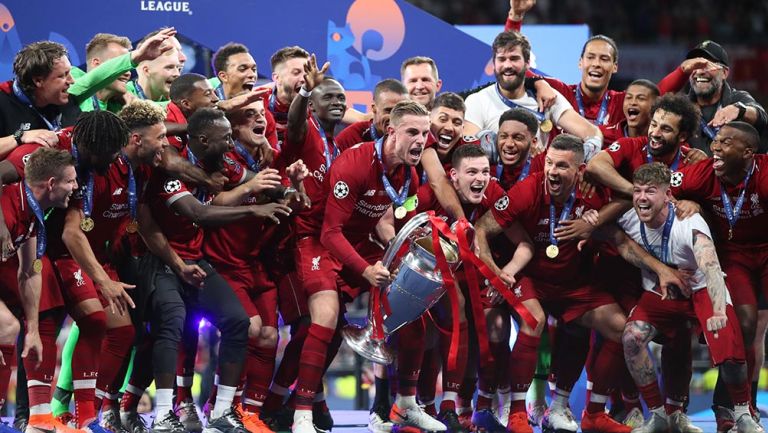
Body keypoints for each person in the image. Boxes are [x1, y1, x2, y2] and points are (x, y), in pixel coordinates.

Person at [474, 134, 659, 433]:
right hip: (532, 279)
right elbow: (482, 228)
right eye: (549, 163)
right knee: (532, 320)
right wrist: (495, 272)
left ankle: (591, 413)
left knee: (620, 328)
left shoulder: (594, 194)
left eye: (562, 166)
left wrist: (596, 221)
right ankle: (518, 413)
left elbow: (624, 217)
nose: (552, 172)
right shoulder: (528, 189)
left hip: (574, 284)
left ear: (580, 171)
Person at [139, 107, 290, 433]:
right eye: (225, 138)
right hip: (165, 261)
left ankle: (222, 411)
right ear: (204, 140)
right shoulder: (170, 173)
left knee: (237, 322)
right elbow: (200, 214)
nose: (231, 141)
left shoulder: (221, 161)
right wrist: (254, 213)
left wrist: (288, 189)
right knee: (172, 323)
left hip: (197, 259)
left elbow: (255, 182)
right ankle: (163, 413)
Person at [318, 100, 444, 433]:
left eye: (425, 133)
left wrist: (394, 244)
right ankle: (301, 405)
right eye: (413, 132)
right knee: (321, 327)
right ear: (391, 131)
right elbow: (330, 232)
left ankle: (404, 406)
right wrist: (366, 269)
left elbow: (385, 218)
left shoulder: (409, 174)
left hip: (364, 248)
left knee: (412, 317)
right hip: (327, 247)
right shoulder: (355, 164)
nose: (421, 140)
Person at [616, 162, 761, 433]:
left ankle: (742, 413)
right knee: (631, 339)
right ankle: (658, 415)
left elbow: (711, 268)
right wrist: (661, 269)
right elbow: (616, 238)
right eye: (637, 191)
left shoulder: (689, 222)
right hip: (664, 292)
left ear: (668, 195)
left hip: (703, 288)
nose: (642, 198)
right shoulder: (629, 216)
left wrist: (719, 312)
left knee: (728, 349)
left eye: (650, 191)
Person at [669, 122, 768, 432]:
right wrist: (685, 201)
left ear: (748, 152)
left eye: (726, 143)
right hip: (733, 256)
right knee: (747, 323)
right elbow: (661, 190)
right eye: (716, 140)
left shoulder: (764, 175)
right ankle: (741, 407)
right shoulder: (703, 173)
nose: (715, 147)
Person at [0, 148, 76, 433]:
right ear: (51, 184)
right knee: (5, 325)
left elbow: (29, 272)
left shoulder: (31, 214)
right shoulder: (8, 206)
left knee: (9, 327)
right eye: (70, 181)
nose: (76, 187)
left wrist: (32, 330)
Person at [463, 31, 603, 161]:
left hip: (536, 181)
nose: (507, 65)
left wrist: (586, 157)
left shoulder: (548, 98)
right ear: (494, 64)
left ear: (528, 63)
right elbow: (468, 147)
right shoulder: (477, 101)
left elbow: (592, 132)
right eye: (501, 59)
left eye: (514, 58)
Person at [588, 94, 706, 198]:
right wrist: (635, 191)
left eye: (666, 129)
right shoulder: (631, 145)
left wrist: (697, 206)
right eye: (654, 125)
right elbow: (594, 165)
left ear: (682, 136)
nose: (655, 133)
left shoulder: (692, 161)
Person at [659, 41, 767, 154]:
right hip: (692, 170)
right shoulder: (681, 106)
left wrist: (739, 110)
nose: (699, 72)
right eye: (695, 66)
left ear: (725, 73)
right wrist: (681, 71)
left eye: (707, 66)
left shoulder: (737, 99)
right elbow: (655, 99)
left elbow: (762, 117)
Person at [335, 78, 409, 151]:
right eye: (388, 111)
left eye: (401, 111)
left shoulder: (414, 136)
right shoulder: (352, 137)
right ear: (374, 108)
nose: (394, 117)